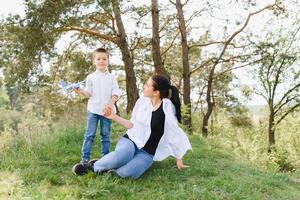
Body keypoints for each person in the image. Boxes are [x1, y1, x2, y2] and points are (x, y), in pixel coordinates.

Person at [72, 74, 191, 179]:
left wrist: (178, 158)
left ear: (156, 92)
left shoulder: (167, 108)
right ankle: (93, 166)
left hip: (147, 153)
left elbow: (173, 132)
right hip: (131, 141)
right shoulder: (142, 101)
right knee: (124, 155)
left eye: (148, 85)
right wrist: (113, 116)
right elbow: (131, 124)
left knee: (127, 174)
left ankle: (110, 169)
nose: (144, 86)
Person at [74, 47, 121, 164]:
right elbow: (88, 93)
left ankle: (105, 158)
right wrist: (80, 91)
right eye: (98, 59)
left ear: (108, 61)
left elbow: (116, 93)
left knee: (105, 135)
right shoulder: (90, 77)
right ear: (94, 61)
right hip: (93, 111)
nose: (101, 61)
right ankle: (85, 159)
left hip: (107, 112)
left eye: (104, 59)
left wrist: (110, 105)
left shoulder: (112, 77)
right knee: (89, 135)